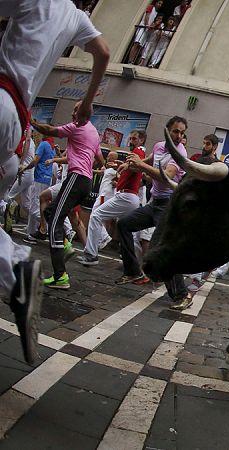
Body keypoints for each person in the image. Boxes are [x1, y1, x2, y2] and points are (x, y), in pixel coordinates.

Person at [0, 0, 109, 364]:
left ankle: (50, 270)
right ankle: (21, 269)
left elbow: (55, 133)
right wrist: (89, 101)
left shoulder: (76, 127)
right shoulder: (77, 17)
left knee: (54, 216)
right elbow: (104, 52)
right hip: (16, 120)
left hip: (4, 99)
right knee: (53, 209)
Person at [115, 116, 192, 310]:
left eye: (182, 133)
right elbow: (149, 160)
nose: (179, 136)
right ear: (167, 130)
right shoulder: (159, 146)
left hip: (168, 206)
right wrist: (130, 164)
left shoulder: (179, 152)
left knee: (163, 248)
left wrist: (141, 167)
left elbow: (168, 177)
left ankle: (182, 294)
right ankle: (133, 271)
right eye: (176, 131)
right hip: (154, 203)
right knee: (123, 224)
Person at [30, 101, 106, 290]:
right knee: (50, 210)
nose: (72, 114)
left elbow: (49, 129)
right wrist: (88, 164)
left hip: (76, 178)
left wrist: (30, 120)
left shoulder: (77, 127)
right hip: (84, 182)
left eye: (75, 111)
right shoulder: (94, 133)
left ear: (83, 115)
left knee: (55, 220)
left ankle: (60, 276)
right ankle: (64, 244)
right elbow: (100, 159)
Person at [78, 130, 147, 266]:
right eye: (130, 139)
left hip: (126, 196)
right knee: (127, 229)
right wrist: (121, 165)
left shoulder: (138, 152)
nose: (131, 142)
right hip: (129, 197)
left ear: (142, 140)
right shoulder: (137, 154)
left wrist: (124, 165)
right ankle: (135, 264)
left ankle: (91, 254)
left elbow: (135, 164)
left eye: (134, 139)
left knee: (96, 215)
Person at [127, 0, 162, 64]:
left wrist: (152, 26)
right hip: (143, 27)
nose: (160, 5)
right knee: (136, 43)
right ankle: (130, 60)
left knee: (140, 46)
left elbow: (153, 22)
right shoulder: (151, 7)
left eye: (161, 4)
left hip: (147, 31)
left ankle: (132, 61)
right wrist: (146, 25)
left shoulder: (156, 13)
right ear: (156, 2)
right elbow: (147, 15)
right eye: (159, 3)